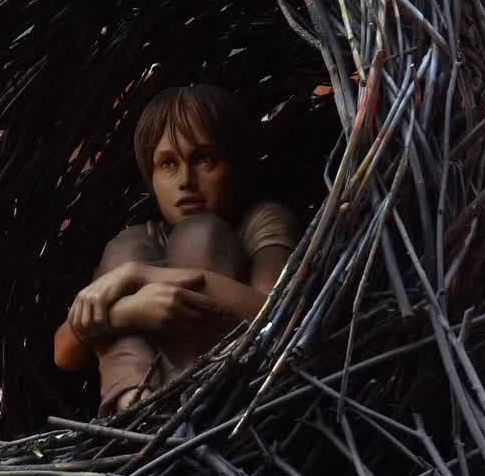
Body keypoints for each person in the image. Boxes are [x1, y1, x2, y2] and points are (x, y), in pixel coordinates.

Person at [53, 85, 300, 413]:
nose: (185, 179)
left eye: (203, 159)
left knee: (201, 234)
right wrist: (129, 312)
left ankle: (200, 395)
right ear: (150, 176)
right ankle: (136, 408)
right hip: (148, 415)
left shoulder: (260, 219)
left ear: (236, 165)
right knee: (125, 248)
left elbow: (278, 315)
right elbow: (65, 353)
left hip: (237, 395)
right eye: (168, 164)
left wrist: (141, 277)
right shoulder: (140, 241)